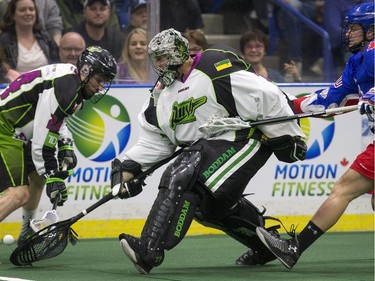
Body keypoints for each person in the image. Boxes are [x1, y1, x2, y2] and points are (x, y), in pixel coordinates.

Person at [110, 28, 307, 274]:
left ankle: (149, 250)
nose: (158, 64)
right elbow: (157, 139)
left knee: (184, 171)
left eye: (162, 57)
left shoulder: (214, 68)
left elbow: (265, 94)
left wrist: (289, 134)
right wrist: (129, 166)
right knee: (207, 207)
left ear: (179, 53)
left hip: (244, 140)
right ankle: (266, 246)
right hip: (206, 150)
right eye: (156, 59)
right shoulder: (160, 95)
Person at [256, 2, 374, 270]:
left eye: (355, 27)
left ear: (372, 29)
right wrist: (289, 105)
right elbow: (331, 101)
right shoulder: (358, 60)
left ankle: (293, 248)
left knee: (342, 189)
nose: (348, 33)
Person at [0, 46, 116, 246]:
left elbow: (56, 121)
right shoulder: (67, 87)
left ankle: (27, 234)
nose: (100, 88)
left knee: (37, 177)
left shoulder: (71, 83)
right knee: (20, 193)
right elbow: (42, 140)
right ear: (86, 70)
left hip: (18, 131)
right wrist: (52, 174)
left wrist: (65, 146)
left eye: (105, 82)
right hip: (6, 128)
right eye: (99, 80)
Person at [0, 0, 59, 74]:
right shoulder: (4, 40)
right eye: (22, 10)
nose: (28, 13)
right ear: (13, 15)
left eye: (31, 9)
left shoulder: (45, 38)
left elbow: (56, 64)